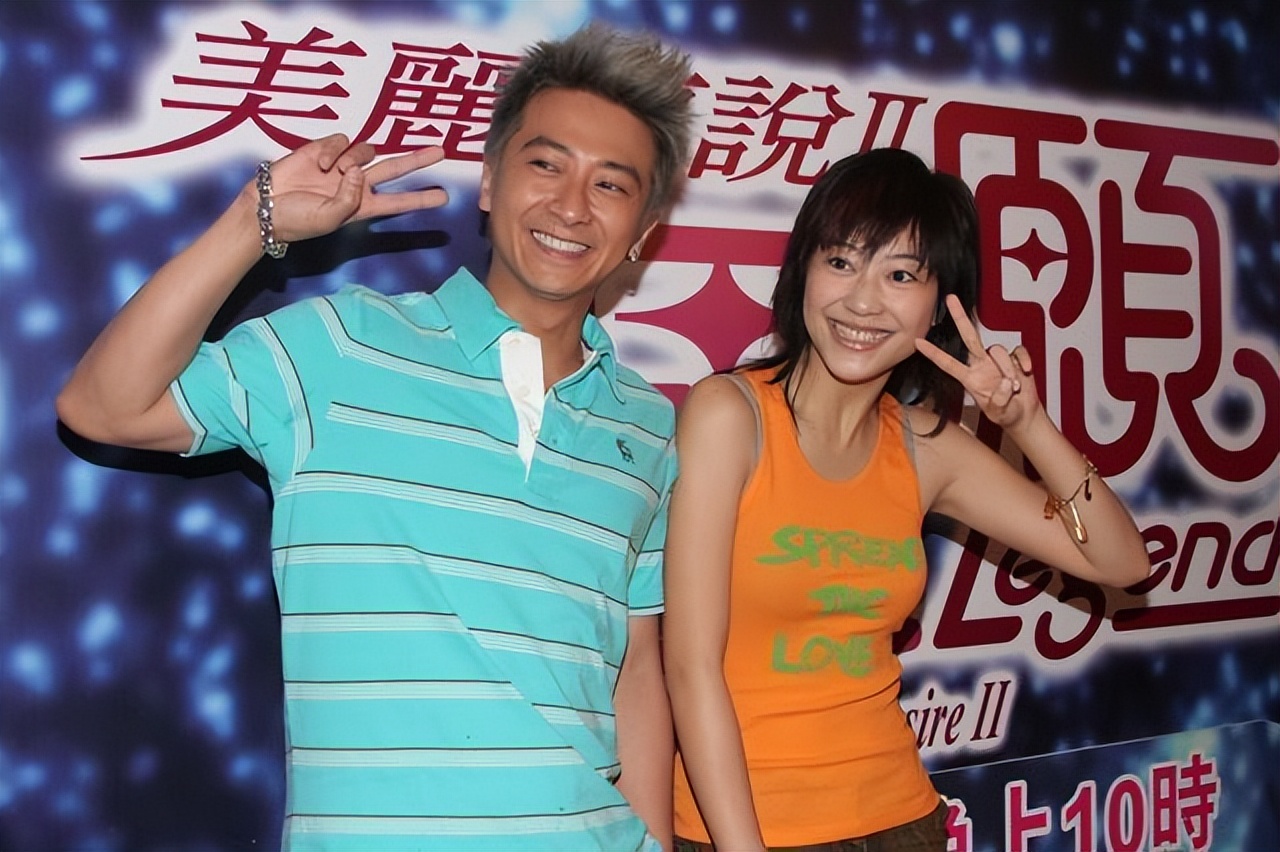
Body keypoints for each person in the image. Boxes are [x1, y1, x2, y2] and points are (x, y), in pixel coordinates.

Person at [57, 23, 694, 852]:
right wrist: (253, 223)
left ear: (644, 230)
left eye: (611, 185)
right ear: (491, 180)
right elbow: (103, 408)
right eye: (546, 164)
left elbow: (636, 666)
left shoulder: (646, 421)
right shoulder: (341, 345)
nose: (571, 206)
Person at [663, 147, 1151, 852]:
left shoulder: (926, 446)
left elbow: (1121, 562)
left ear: (940, 303)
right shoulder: (729, 415)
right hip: (740, 829)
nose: (863, 301)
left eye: (900, 275)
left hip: (899, 821)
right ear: (802, 270)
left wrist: (1027, 425)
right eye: (841, 262)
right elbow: (689, 666)